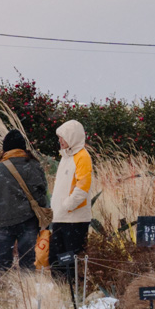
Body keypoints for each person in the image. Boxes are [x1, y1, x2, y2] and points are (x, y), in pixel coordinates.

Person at [0, 130, 49, 272]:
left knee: (3, 261)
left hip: (2, 222)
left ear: (5, 149)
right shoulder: (34, 166)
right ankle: (27, 291)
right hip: (28, 221)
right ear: (23, 148)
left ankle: (1, 290)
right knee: (28, 261)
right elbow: (42, 194)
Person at [49, 119, 93, 282]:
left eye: (63, 137)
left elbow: (82, 188)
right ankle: (61, 293)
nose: (60, 140)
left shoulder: (82, 157)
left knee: (71, 261)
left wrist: (66, 206)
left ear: (72, 137)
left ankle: (73, 293)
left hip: (75, 219)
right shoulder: (66, 157)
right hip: (61, 218)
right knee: (56, 260)